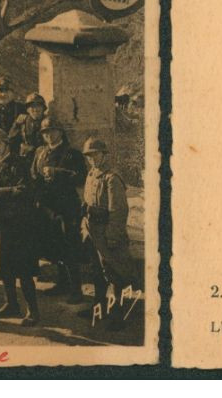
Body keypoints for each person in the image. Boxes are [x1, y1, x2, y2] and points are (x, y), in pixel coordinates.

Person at [0, 127, 39, 325]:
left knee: (23, 270)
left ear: (6, 143)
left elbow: (26, 189)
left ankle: (33, 310)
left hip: (18, 225)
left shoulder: (20, 163)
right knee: (4, 266)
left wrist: (0, 193)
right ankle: (11, 304)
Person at [31, 117, 90, 303]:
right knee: (55, 246)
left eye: (52, 131)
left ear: (61, 132)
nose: (49, 135)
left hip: (66, 207)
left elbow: (81, 178)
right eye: (45, 132)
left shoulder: (72, 154)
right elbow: (33, 174)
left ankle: (76, 290)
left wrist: (58, 173)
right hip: (47, 208)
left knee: (70, 247)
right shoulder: (40, 152)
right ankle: (62, 283)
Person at [81, 138, 135, 329]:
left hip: (107, 232)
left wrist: (112, 237)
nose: (92, 159)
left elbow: (118, 211)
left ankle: (119, 315)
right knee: (97, 272)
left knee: (115, 275)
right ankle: (99, 307)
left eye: (95, 155)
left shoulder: (112, 178)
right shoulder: (91, 174)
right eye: (89, 156)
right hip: (93, 232)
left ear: (104, 154)